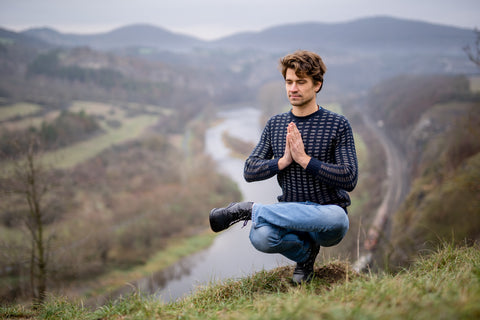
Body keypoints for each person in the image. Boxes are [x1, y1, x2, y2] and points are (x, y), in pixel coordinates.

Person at [209, 50, 358, 284]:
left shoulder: (338, 124)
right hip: (291, 215)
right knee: (260, 236)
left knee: (338, 219)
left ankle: (249, 210)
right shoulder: (276, 124)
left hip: (325, 218)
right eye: (289, 82)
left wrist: (305, 160)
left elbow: (349, 177)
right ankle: (306, 256)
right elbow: (250, 170)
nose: (293, 88)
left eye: (301, 82)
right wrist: (282, 161)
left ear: (317, 85)